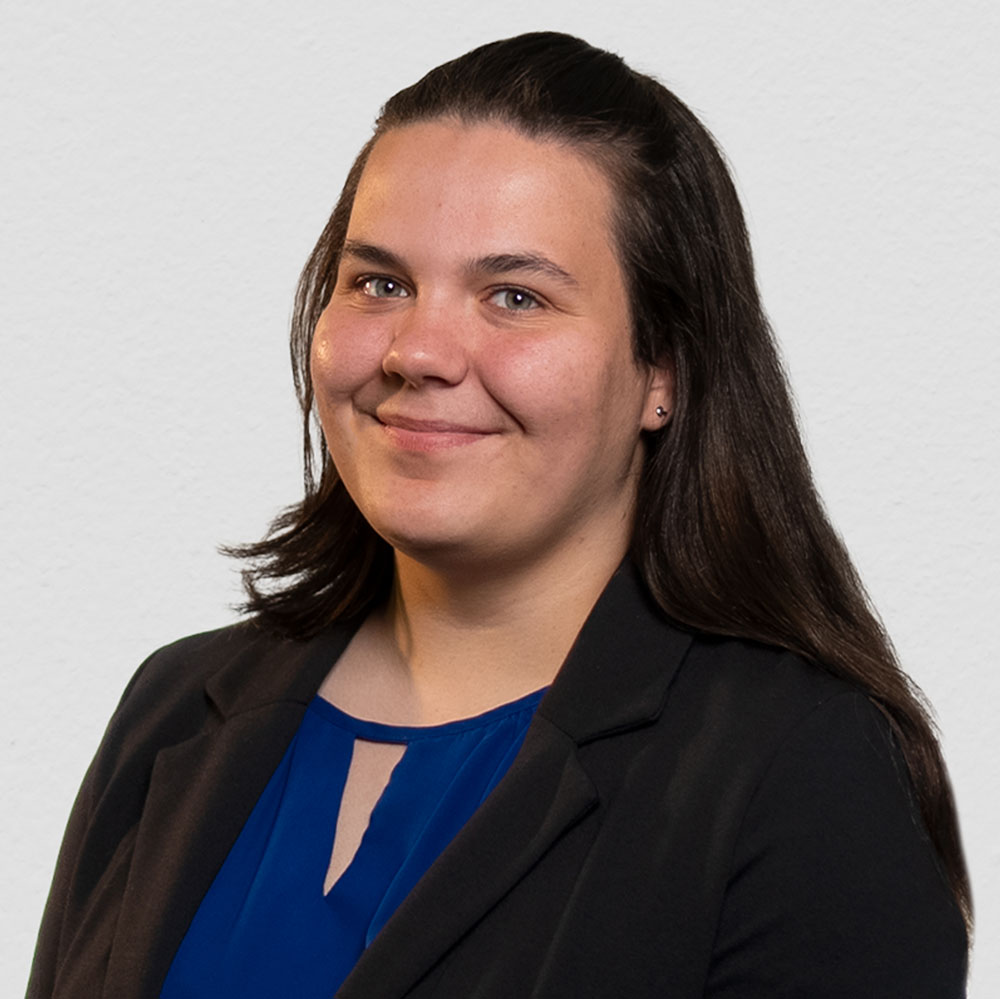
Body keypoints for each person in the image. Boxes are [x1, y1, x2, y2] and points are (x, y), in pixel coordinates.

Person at [28, 31, 971, 999]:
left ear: (664, 372)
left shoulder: (800, 769)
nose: (418, 352)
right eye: (380, 283)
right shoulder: (177, 708)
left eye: (514, 296)